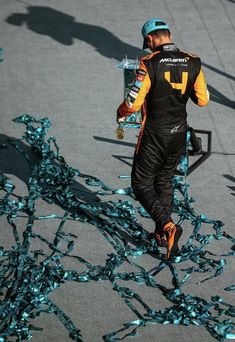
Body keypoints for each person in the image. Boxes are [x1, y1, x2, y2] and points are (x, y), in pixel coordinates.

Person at [117, 18, 209, 259]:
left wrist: (121, 113)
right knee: (164, 180)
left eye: (146, 43)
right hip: (179, 133)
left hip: (154, 134)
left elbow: (132, 102)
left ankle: (168, 227)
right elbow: (203, 100)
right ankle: (161, 234)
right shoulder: (193, 61)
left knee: (141, 183)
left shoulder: (149, 63)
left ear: (150, 39)